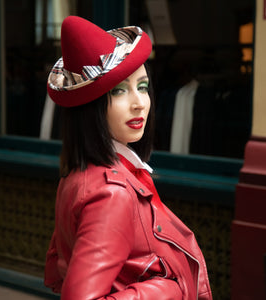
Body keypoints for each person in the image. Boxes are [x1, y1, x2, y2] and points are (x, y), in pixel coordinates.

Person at [44, 15, 212, 300]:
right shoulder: (112, 192)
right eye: (119, 91)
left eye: (143, 87)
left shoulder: (83, 171)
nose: (138, 103)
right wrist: (165, 290)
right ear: (91, 106)